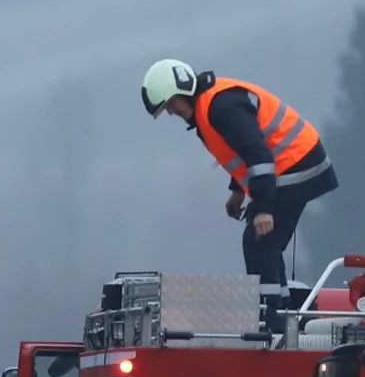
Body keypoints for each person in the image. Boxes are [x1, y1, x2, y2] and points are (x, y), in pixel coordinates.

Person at [139, 59, 338, 333]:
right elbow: (241, 152)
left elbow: (258, 155)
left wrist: (265, 208)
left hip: (297, 165)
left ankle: (272, 323)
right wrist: (237, 192)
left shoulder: (221, 108)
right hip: (290, 166)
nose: (173, 112)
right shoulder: (210, 107)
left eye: (171, 104)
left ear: (183, 91)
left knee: (260, 241)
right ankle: (279, 317)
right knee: (265, 244)